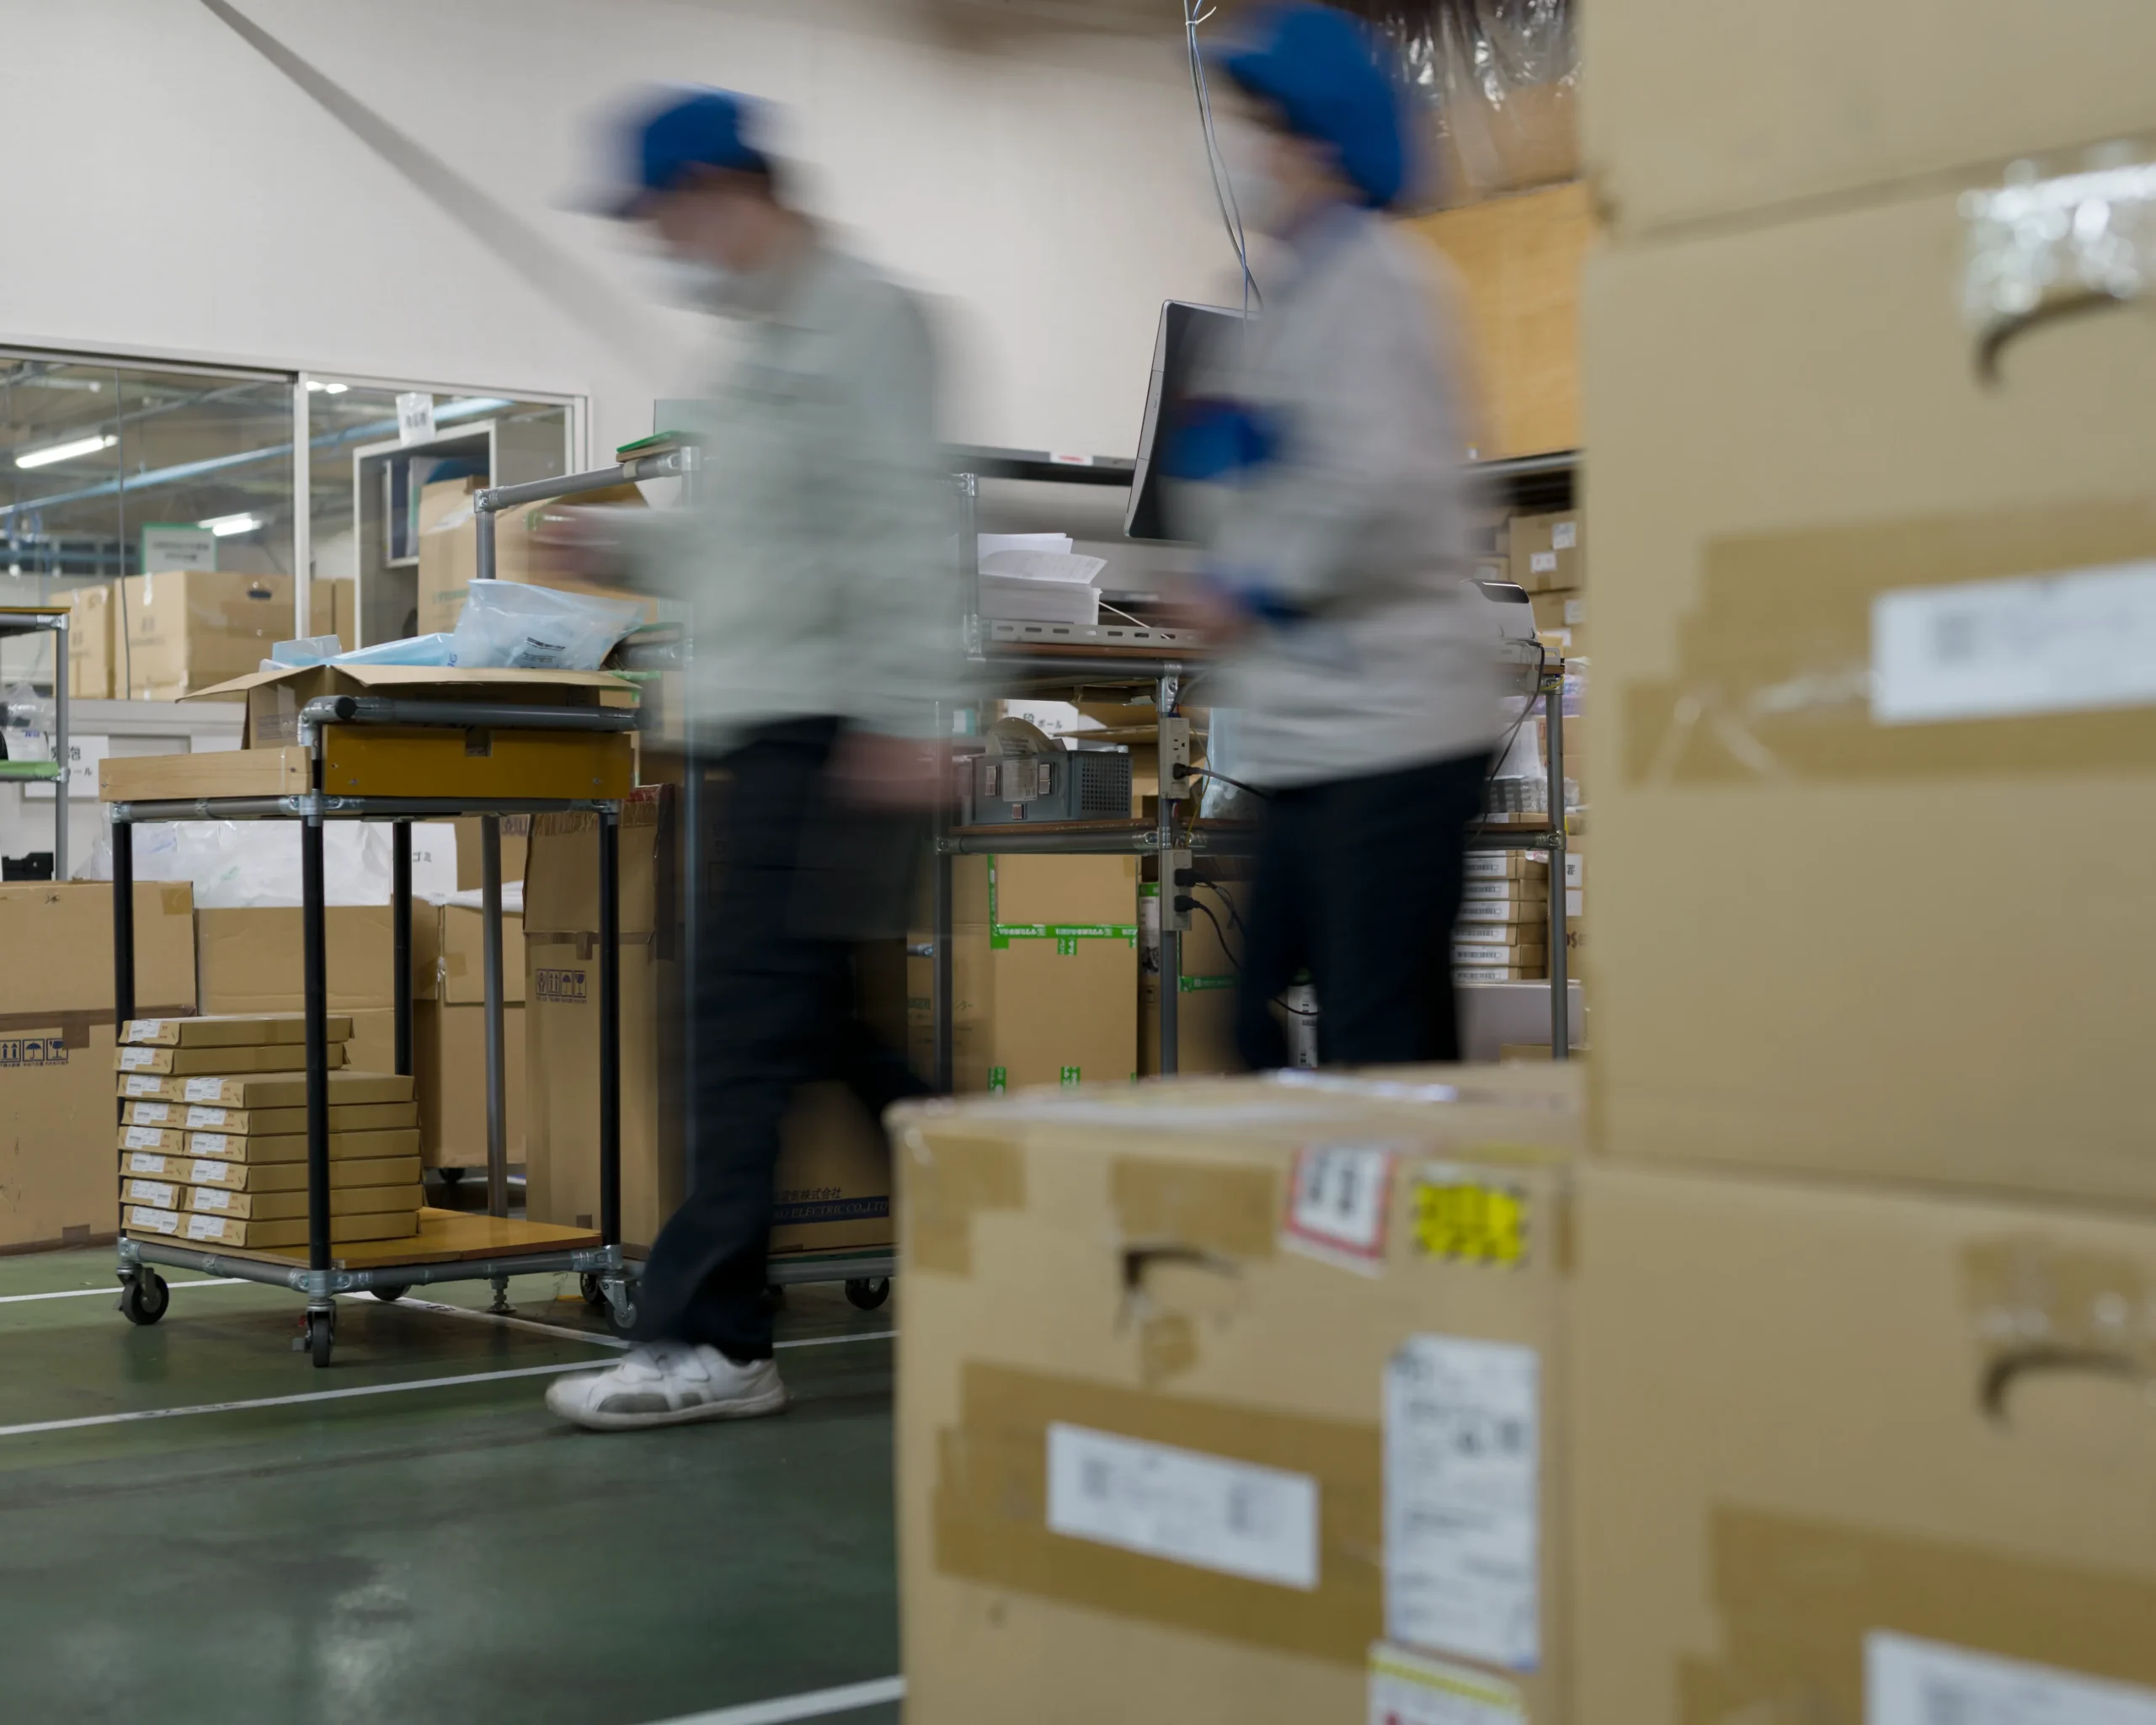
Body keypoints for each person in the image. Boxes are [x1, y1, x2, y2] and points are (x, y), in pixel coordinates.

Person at [543, 88, 958, 1431]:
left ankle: (712, 1341)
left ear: (726, 190)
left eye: (666, 217)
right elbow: (752, 550)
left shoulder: (861, 322)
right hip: (770, 734)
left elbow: (902, 528)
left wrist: (911, 711)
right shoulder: (761, 344)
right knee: (818, 1033)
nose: (663, 246)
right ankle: (1027, 1226)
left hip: (834, 736)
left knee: (731, 1036)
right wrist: (626, 543)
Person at [1172, 3, 1504, 1069]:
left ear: (1318, 142)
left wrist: (1253, 587)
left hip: (1397, 729)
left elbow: (1383, 489)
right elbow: (1263, 478)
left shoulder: (1384, 281)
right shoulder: (1289, 297)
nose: (1244, 155)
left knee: (1378, 1035)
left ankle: (1413, 1180)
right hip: (1316, 734)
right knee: (1256, 1020)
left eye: (1261, 129)